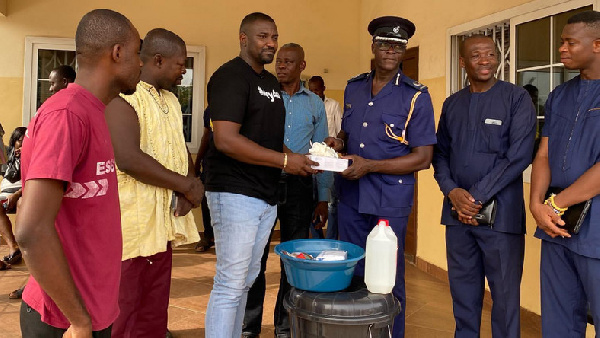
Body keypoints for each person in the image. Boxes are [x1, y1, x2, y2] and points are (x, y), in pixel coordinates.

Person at [15, 9, 141, 338]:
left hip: (91, 310)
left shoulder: (93, 110)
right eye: (137, 52)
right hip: (63, 321)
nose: (140, 63)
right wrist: (80, 321)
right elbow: (31, 230)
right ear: (117, 53)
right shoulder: (68, 114)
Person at [203, 12, 317, 338]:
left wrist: (296, 158)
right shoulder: (229, 77)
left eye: (274, 37)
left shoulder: (268, 82)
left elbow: (266, 135)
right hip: (234, 192)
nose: (270, 43)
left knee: (247, 279)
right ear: (243, 39)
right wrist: (284, 161)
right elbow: (225, 139)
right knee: (231, 281)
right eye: (263, 36)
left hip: (265, 194)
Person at [325, 16, 437, 338]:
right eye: (385, 44)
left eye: (398, 46)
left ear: (403, 52)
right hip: (351, 195)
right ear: (373, 46)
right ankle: (356, 331)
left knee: (388, 274)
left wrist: (370, 166)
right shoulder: (354, 87)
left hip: (390, 199)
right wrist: (337, 143)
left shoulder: (416, 96)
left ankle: (390, 334)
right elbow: (349, 134)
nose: (391, 50)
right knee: (352, 268)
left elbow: (423, 158)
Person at [432, 35, 536, 337]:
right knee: (463, 294)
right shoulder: (452, 104)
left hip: (501, 219)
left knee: (504, 299)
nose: (485, 61)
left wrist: (474, 197)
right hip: (457, 217)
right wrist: (452, 192)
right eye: (476, 55)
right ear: (463, 62)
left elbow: (518, 157)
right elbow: (440, 155)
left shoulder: (517, 99)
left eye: (491, 54)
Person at [105, 28, 202, 338]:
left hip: (160, 226)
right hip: (131, 227)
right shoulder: (122, 96)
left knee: (153, 310)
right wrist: (185, 186)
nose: (184, 72)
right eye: (180, 65)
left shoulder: (172, 100)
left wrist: (190, 179)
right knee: (126, 311)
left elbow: (178, 144)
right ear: (158, 60)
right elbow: (129, 158)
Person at [242, 43, 331, 338]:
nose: (281, 66)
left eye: (289, 62)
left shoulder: (315, 104)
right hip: (262, 182)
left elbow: (320, 154)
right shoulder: (265, 93)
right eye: (279, 61)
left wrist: (322, 199)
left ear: (302, 66)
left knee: (292, 259)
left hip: (299, 188)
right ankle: (248, 328)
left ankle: (284, 326)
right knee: (255, 258)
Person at [529, 11, 600, 337]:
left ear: (597, 44)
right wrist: (536, 206)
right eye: (561, 42)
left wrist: (554, 205)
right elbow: (543, 153)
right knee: (558, 319)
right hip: (556, 223)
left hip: (594, 227)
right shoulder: (559, 95)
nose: (562, 49)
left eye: (571, 42)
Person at [308, 75, 343, 240]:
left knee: (331, 203)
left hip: (330, 162)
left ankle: (330, 240)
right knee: (312, 200)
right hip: (311, 160)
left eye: (317, 90)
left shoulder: (333, 105)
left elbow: (339, 131)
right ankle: (317, 238)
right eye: (311, 90)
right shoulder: (307, 105)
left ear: (323, 89)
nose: (314, 93)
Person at [0, 127, 26, 270]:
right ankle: (13, 248)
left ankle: (22, 247)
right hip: (4, 197)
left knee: (23, 204)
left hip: (23, 194)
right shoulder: (6, 156)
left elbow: (33, 182)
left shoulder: (33, 156)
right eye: (19, 142)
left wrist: (16, 195)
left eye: (25, 142)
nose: (22, 146)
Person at [194, 108, 215, 253]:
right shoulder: (210, 111)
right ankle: (208, 236)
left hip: (232, 165)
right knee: (206, 200)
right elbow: (206, 136)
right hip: (211, 163)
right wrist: (197, 162)